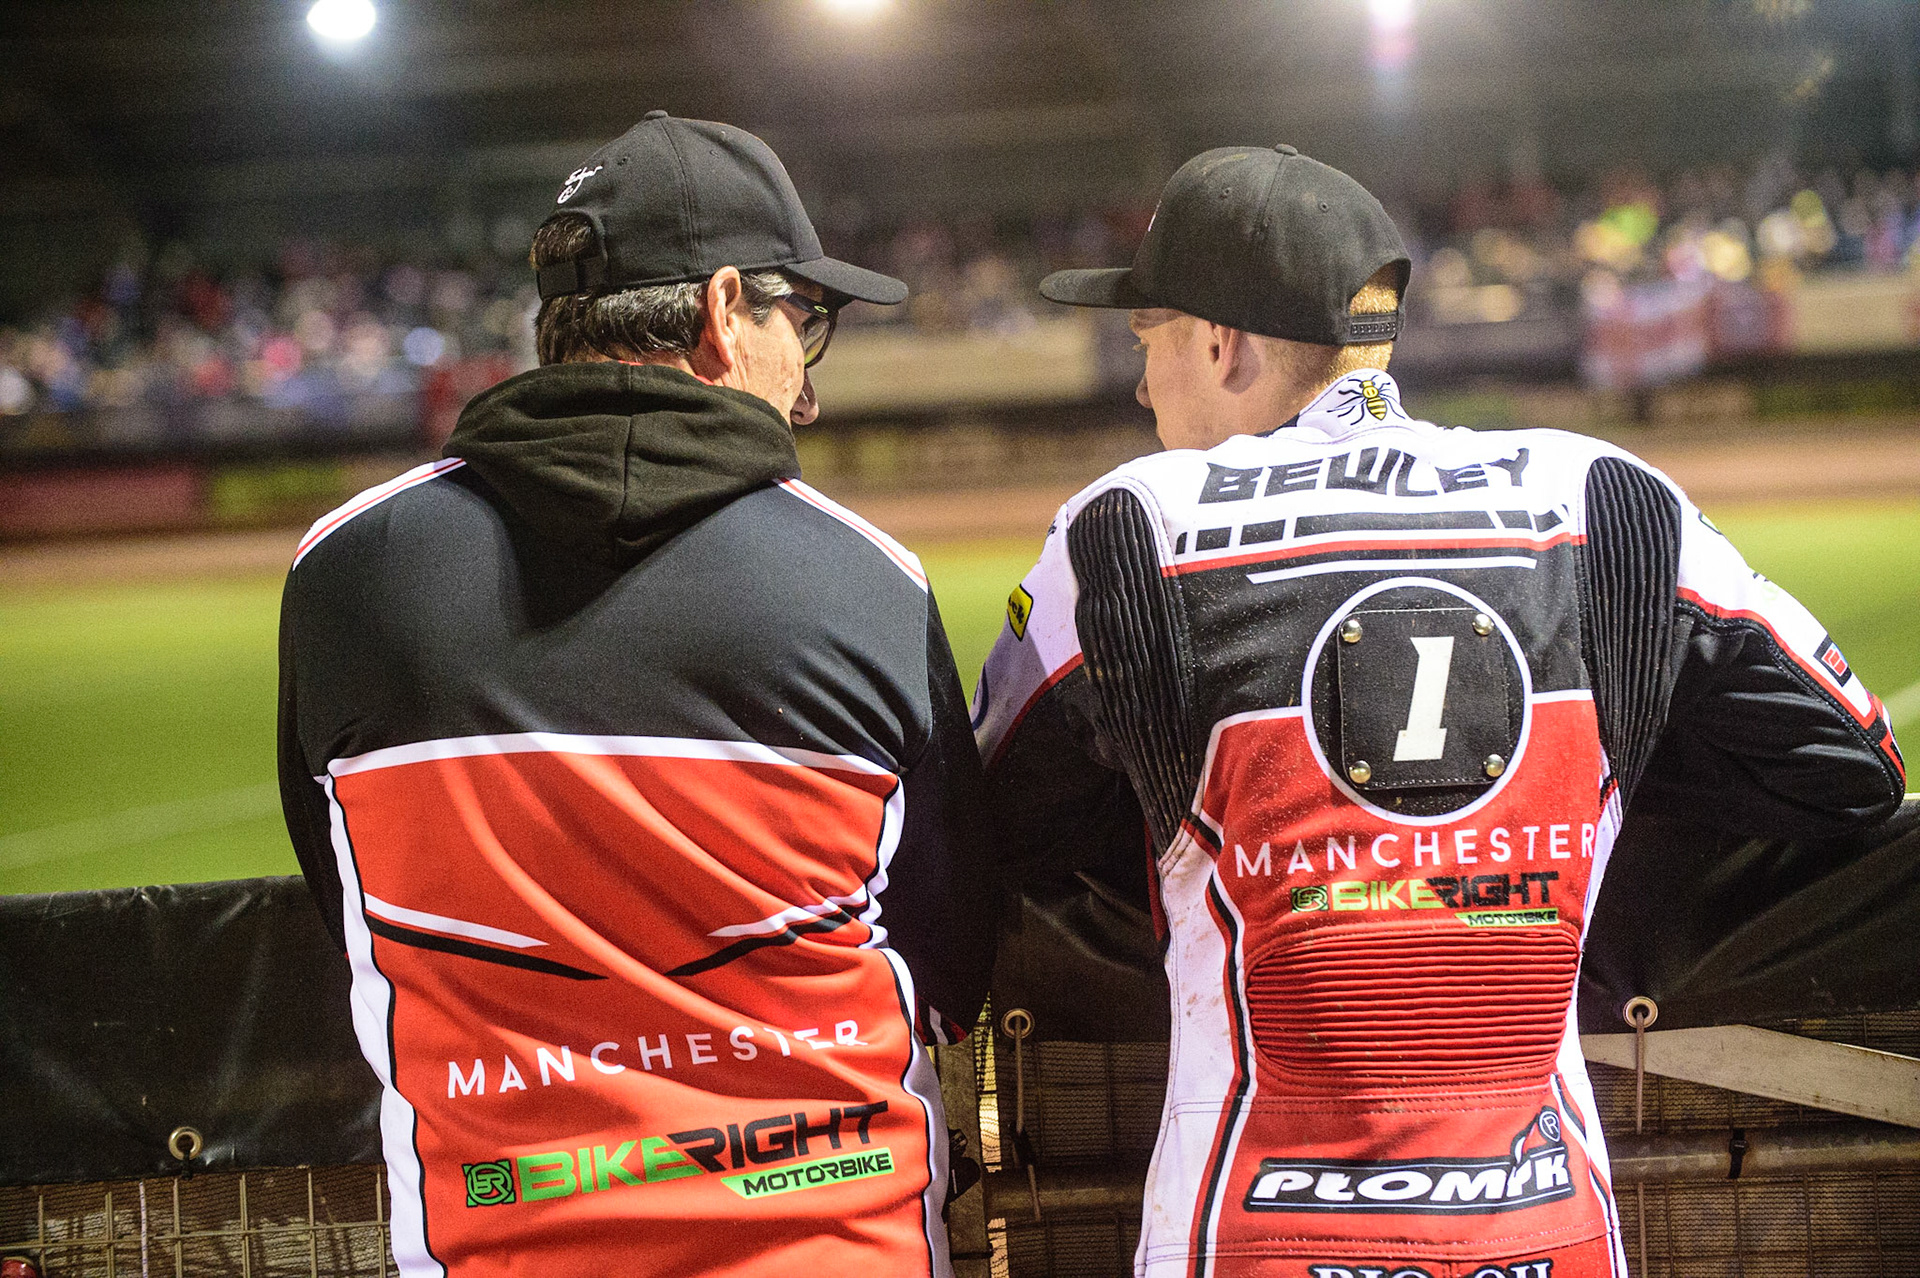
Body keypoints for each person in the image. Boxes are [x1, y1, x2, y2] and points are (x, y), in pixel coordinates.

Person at [974, 145, 1906, 1278]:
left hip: (1251, 1234)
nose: (1140, 385)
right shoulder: (1604, 493)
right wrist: (1575, 803)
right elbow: (1852, 763)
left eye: (1149, 339)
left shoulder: (1125, 528)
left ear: (1222, 344)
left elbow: (996, 822)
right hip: (1551, 1229)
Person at [278, 112, 994, 1277]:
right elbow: (948, 954)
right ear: (722, 312)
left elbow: (346, 898)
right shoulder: (864, 582)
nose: (804, 387)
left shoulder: (348, 573)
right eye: (800, 321)